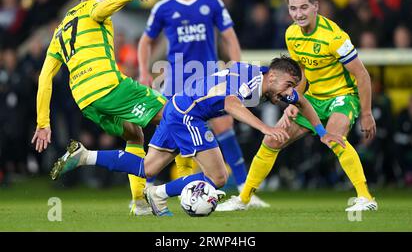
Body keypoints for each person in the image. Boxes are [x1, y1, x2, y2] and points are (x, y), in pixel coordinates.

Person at [48, 57, 345, 216]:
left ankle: (85, 156)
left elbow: (302, 102)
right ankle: (159, 195)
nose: (288, 92)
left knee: (147, 168)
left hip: (179, 107)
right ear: (275, 75)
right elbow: (230, 104)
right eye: (289, 84)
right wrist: (266, 128)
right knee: (216, 178)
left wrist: (322, 132)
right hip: (190, 114)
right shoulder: (255, 81)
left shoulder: (263, 78)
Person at [217, 0, 378, 212]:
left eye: (304, 7)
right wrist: (294, 102)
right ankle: (243, 200)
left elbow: (361, 73)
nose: (298, 13)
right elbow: (300, 73)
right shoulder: (291, 34)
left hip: (342, 96)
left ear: (315, 7)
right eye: (293, 8)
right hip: (312, 98)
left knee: (333, 137)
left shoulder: (334, 37)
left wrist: (366, 112)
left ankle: (365, 197)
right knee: (272, 140)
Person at [138, 0, 268, 208]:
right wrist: (144, 72)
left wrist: (237, 66)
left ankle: (244, 192)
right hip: (176, 79)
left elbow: (229, 36)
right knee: (166, 134)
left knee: (225, 127)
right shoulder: (163, 7)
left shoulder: (212, 2)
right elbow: (145, 41)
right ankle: (147, 191)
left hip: (208, 77)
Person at [31, 0, 166, 215]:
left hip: (85, 100)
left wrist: (43, 122)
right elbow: (99, 11)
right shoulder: (92, 6)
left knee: (135, 135)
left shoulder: (60, 31)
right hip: (108, 86)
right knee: (173, 114)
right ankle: (185, 183)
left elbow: (44, 78)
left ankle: (140, 203)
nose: (109, 2)